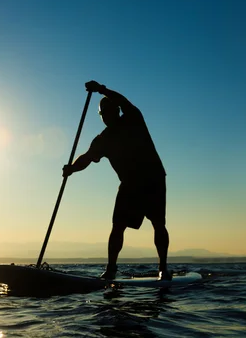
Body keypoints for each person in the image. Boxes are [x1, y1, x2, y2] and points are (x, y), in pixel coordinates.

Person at [62, 80, 172, 281]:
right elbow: (86, 158)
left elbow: (123, 100)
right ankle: (111, 269)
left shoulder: (133, 119)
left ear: (117, 110)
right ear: (101, 117)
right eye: (103, 114)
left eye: (110, 111)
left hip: (152, 179)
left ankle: (163, 268)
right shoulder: (103, 139)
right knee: (117, 226)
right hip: (130, 184)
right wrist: (71, 169)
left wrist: (102, 90)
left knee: (158, 223)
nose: (106, 117)